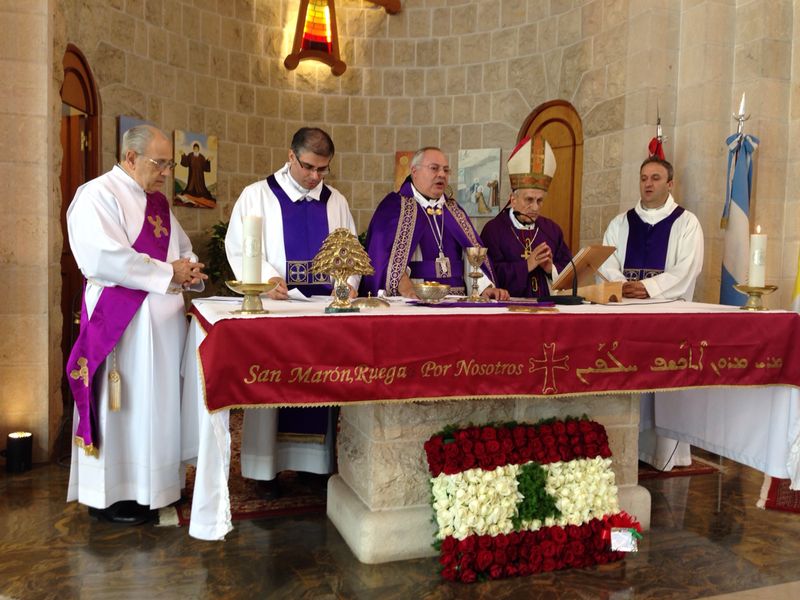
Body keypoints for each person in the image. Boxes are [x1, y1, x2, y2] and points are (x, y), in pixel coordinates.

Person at [65, 124, 207, 524]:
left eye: (169, 164)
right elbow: (103, 257)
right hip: (122, 326)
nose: (166, 172)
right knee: (123, 408)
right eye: (159, 163)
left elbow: (181, 249)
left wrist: (190, 269)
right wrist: (169, 272)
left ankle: (156, 487)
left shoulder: (158, 203)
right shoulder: (97, 195)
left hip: (164, 326)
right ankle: (114, 495)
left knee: (158, 407)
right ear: (130, 158)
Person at [225, 127, 357, 496]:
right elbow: (238, 246)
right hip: (278, 308)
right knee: (273, 384)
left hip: (322, 312)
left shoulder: (336, 202)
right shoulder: (257, 195)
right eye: (308, 167)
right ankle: (264, 469)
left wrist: (347, 284)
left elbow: (351, 252)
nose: (315, 176)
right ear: (290, 156)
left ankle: (313, 466)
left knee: (320, 386)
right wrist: (266, 277)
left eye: (323, 169)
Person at [599, 156, 704, 470]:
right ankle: (626, 447)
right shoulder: (620, 223)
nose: (648, 183)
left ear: (670, 184)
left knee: (663, 382)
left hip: (667, 319)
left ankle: (664, 453)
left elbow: (688, 268)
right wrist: (623, 285)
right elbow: (606, 262)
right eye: (644, 178)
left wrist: (647, 288)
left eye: (656, 178)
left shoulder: (686, 223)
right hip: (626, 318)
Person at [360, 146, 509, 300]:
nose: (442, 174)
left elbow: (471, 255)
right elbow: (382, 257)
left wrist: (484, 288)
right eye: (434, 168)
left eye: (446, 170)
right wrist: (404, 286)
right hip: (413, 301)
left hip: (456, 302)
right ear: (414, 171)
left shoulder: (454, 210)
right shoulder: (393, 207)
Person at [481, 135, 572, 298]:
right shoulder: (494, 230)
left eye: (539, 201)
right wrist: (527, 265)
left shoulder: (552, 230)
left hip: (547, 306)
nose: (535, 207)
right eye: (529, 200)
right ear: (513, 199)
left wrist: (551, 269)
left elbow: (570, 271)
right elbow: (488, 273)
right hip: (507, 306)